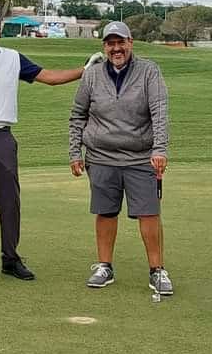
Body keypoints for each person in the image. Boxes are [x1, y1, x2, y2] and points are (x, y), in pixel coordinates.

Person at [0, 6, 105, 281]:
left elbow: (48, 77)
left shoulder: (13, 59)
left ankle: (10, 258)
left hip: (2, 136)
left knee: (9, 200)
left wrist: (84, 71)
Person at [68, 21, 173, 296]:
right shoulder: (91, 76)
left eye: (121, 42)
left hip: (140, 157)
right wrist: (74, 152)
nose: (116, 48)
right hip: (101, 156)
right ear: (104, 46)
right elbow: (78, 115)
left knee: (149, 212)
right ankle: (105, 266)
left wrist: (160, 149)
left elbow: (159, 113)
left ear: (130, 42)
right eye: (110, 43)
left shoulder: (149, 71)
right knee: (105, 212)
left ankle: (157, 270)